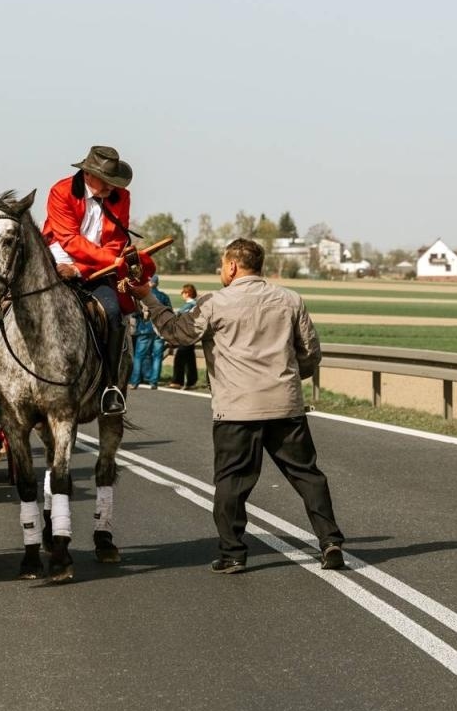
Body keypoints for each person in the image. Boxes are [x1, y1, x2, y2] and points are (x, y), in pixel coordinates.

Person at [130, 238, 346, 573]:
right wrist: (286, 379)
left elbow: (176, 333)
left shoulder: (214, 303)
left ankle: (233, 553)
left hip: (236, 409)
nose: (221, 270)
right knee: (307, 476)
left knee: (232, 481)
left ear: (232, 266)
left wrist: (146, 297)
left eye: (221, 264)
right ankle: (330, 541)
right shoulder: (291, 300)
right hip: (285, 405)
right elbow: (310, 353)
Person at [0, 145, 153, 415]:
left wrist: (80, 270)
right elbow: (69, 239)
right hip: (57, 257)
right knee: (0, 306)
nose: (113, 186)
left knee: (112, 312)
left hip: (99, 266)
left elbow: (116, 241)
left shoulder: (121, 197)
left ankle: (110, 386)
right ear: (89, 175)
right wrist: (79, 264)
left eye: (115, 180)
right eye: (107, 180)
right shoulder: (61, 191)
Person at [129, 277, 171, 388]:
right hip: (159, 329)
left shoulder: (143, 296)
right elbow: (169, 311)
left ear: (149, 283)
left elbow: (135, 312)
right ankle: (153, 382)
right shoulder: (164, 296)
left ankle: (135, 381)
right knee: (157, 356)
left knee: (139, 356)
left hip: (144, 328)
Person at [169, 283, 200, 389]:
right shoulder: (196, 304)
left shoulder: (189, 305)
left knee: (179, 358)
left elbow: (178, 316)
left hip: (185, 334)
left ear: (187, 293)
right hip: (192, 333)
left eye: (183, 292)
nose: (182, 294)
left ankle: (178, 381)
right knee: (190, 358)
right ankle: (192, 381)